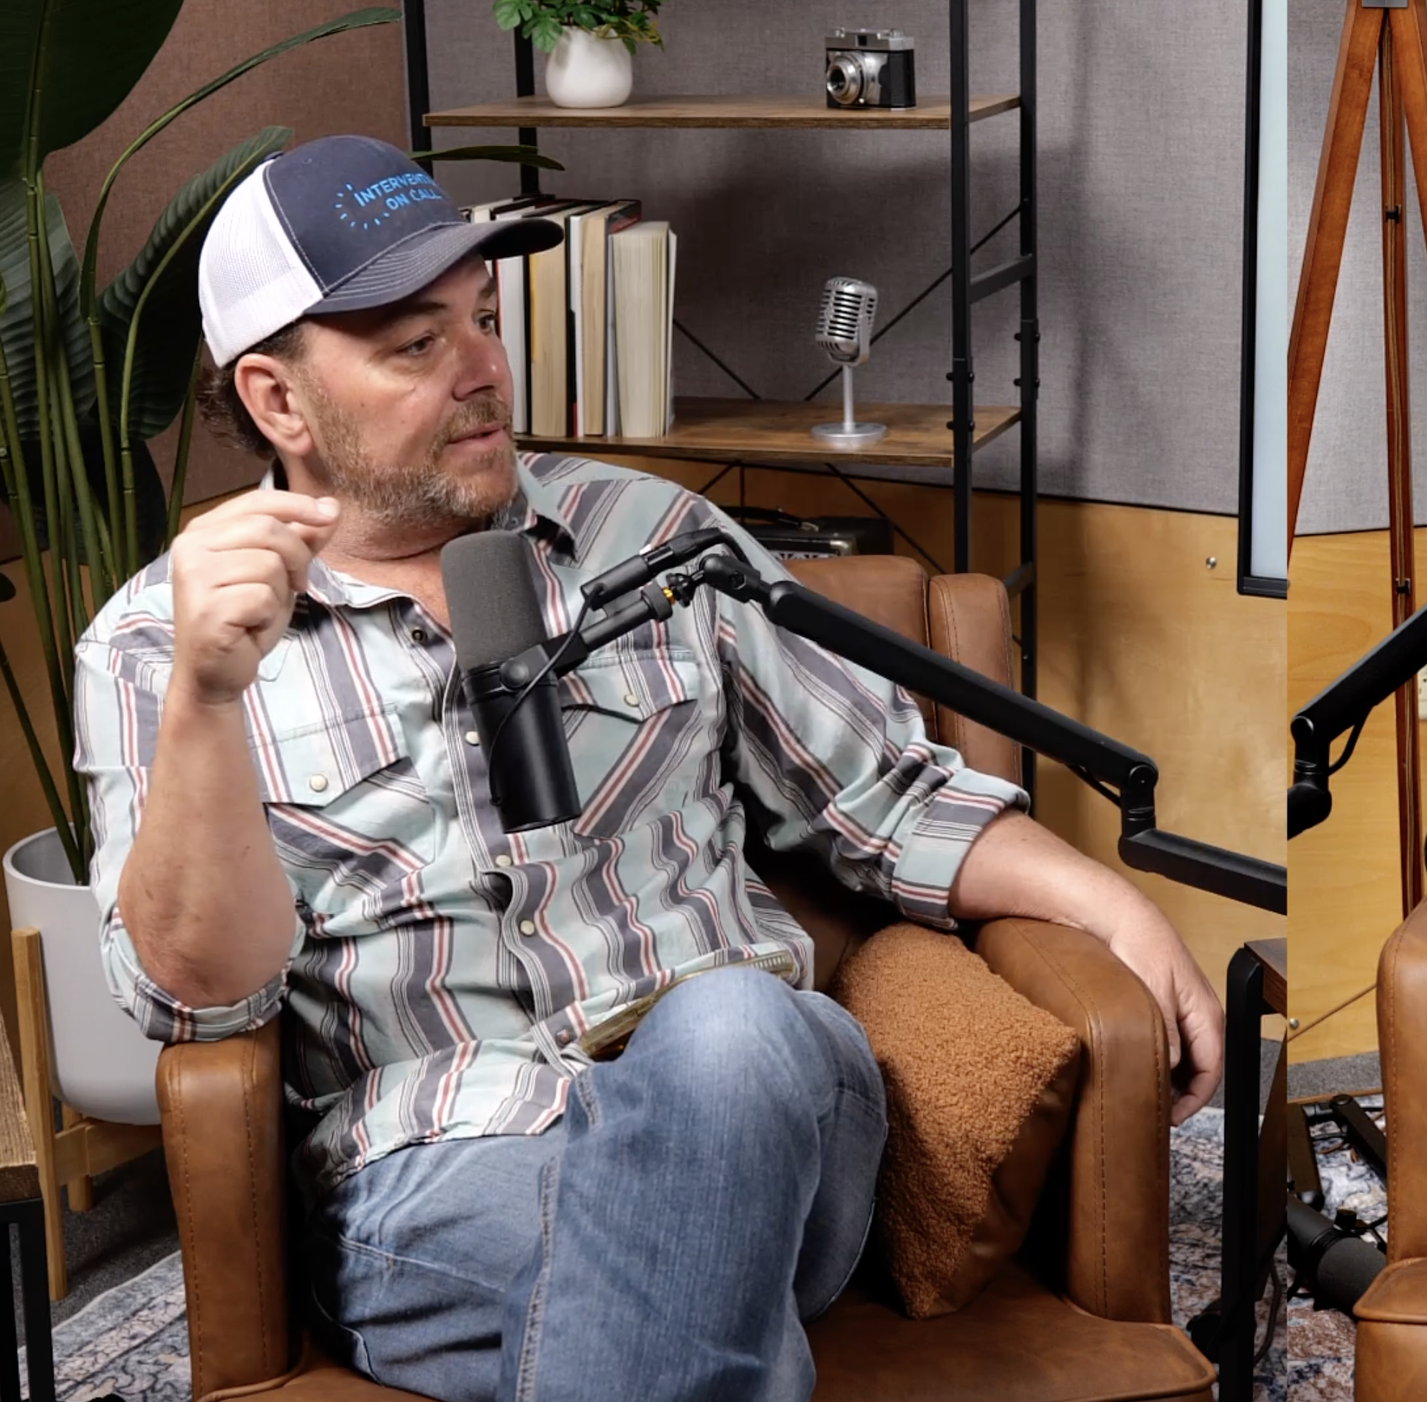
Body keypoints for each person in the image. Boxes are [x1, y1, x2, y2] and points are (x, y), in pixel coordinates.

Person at [73, 135, 1222, 1402]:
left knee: (729, 1030)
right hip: (443, 1176)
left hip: (769, 1100)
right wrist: (204, 702)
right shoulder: (151, 647)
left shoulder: (659, 540)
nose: (484, 373)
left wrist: (1111, 899)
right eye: (417, 345)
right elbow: (195, 1000)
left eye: (487, 320)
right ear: (279, 402)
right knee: (682, 1297)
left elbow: (888, 795)